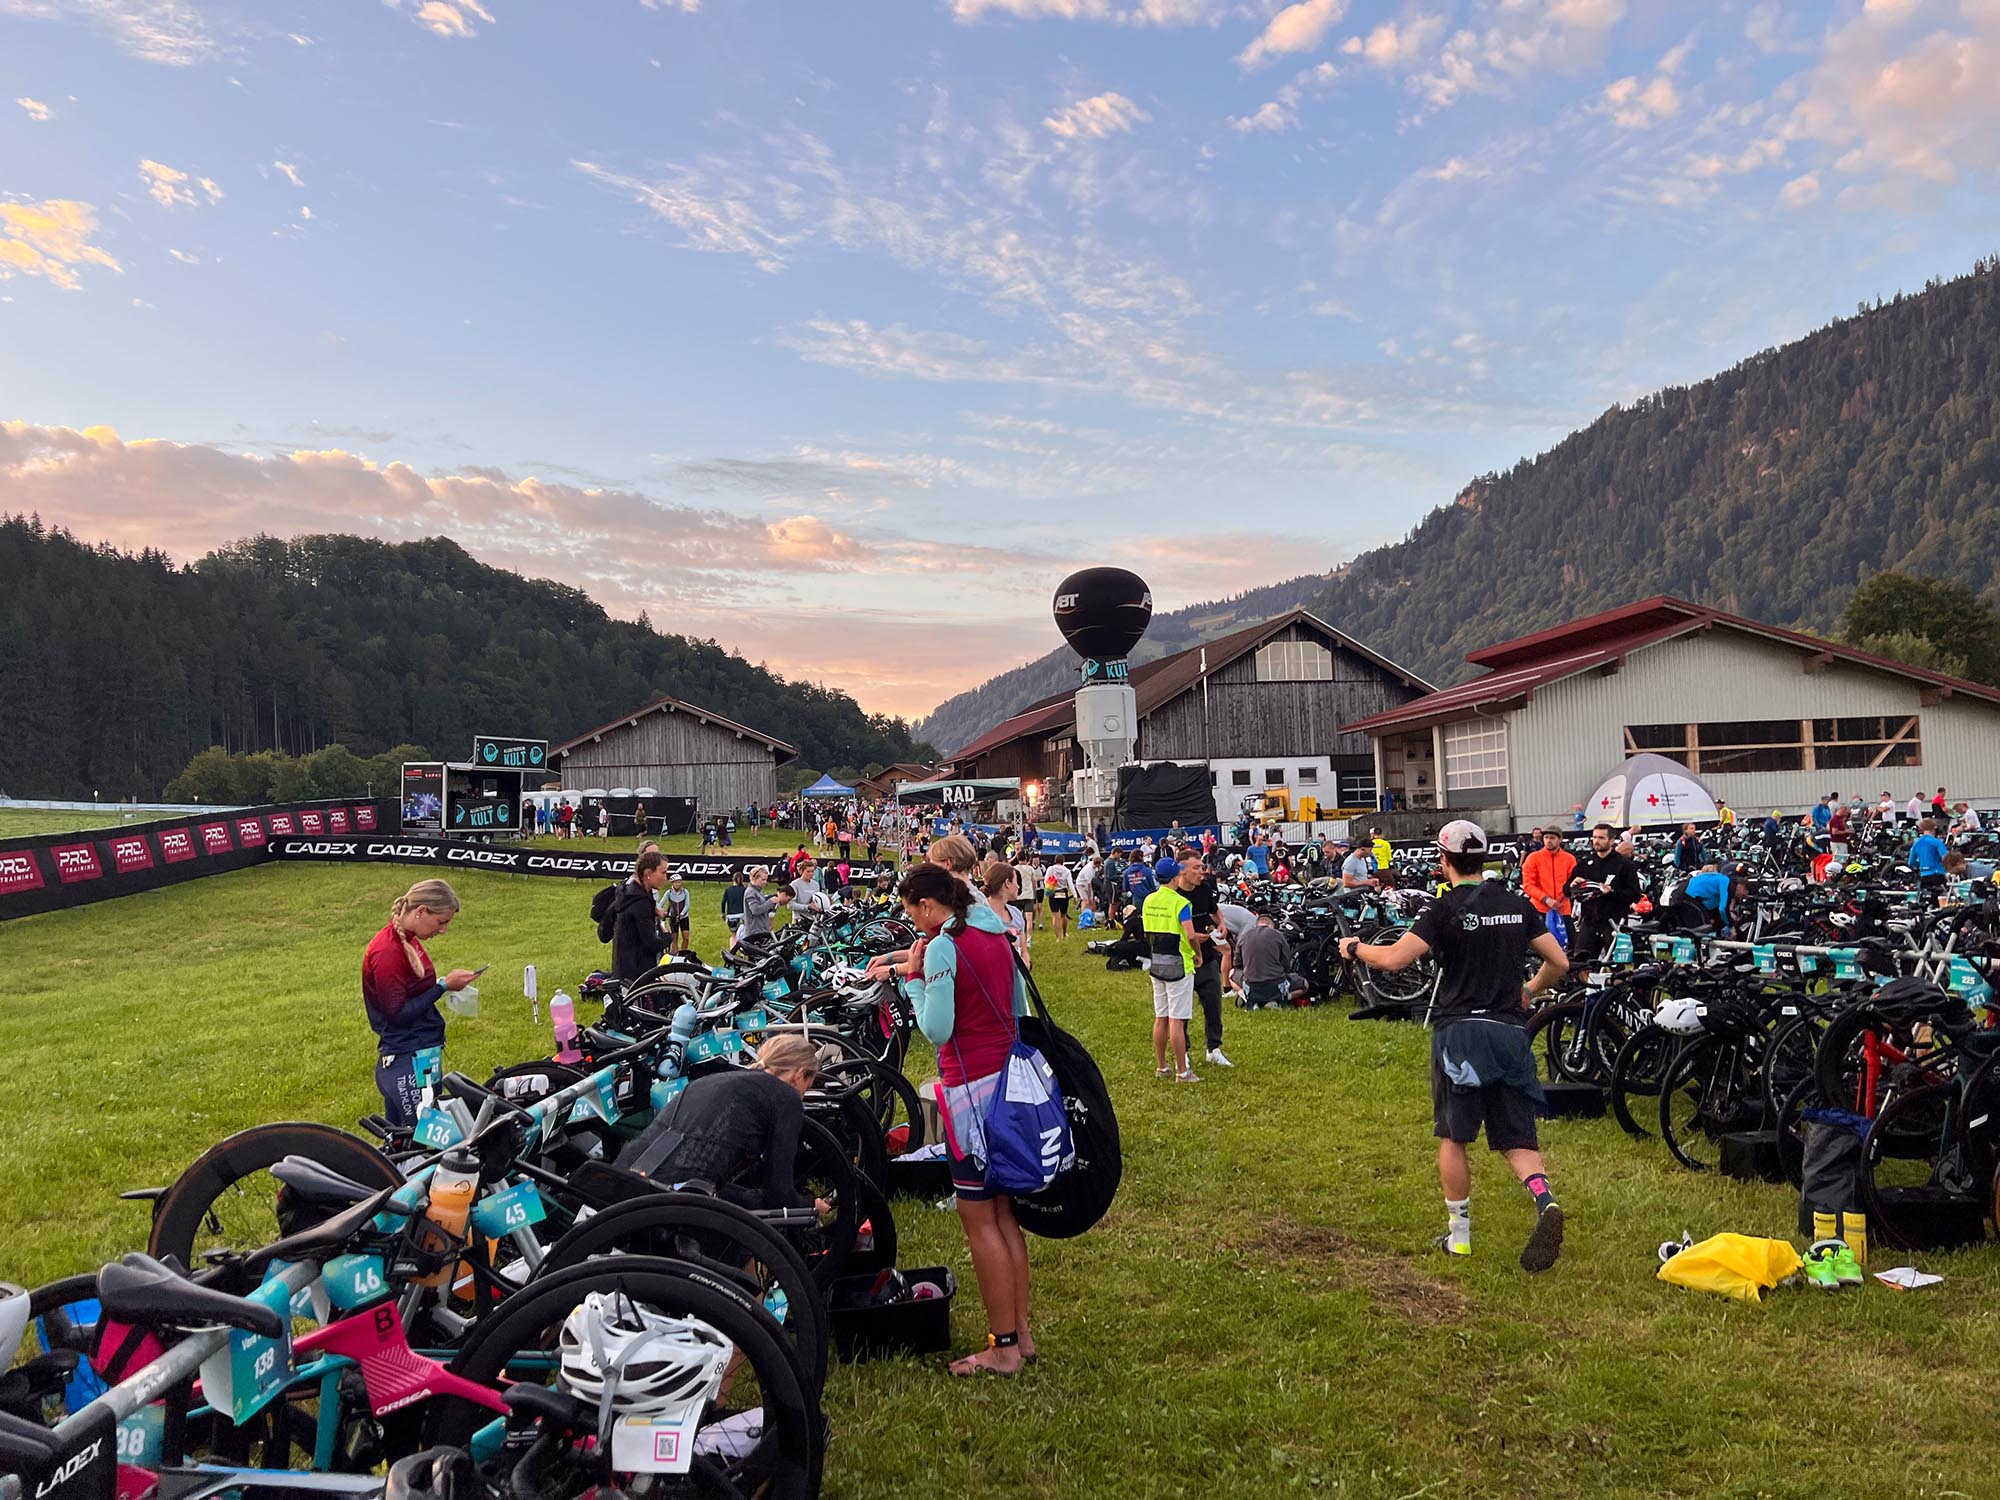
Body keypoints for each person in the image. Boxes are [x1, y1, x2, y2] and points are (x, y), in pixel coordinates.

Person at [1338, 821, 1570, 1272]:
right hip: (1509, 1033)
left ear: (1444, 861)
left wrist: (1355, 948)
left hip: (1461, 1034)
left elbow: (1395, 959)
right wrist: (1529, 990)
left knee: (1454, 1136)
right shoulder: (1515, 904)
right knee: (1517, 1138)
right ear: (1483, 858)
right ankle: (1545, 1201)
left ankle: (1459, 1237)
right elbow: (1558, 960)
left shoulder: (1444, 909)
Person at [895, 862, 1034, 1376]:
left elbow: (937, 1027)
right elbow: (1017, 1007)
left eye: (913, 914)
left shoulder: (943, 945)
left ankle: (1003, 1348)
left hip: (969, 1090)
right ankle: (1021, 1333)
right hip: (1008, 1085)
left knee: (980, 1221)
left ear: (928, 906)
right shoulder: (995, 932)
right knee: (1004, 1214)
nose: (914, 923)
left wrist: (915, 979)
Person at [614, 1034, 824, 1212]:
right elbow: (779, 1193)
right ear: (800, 1074)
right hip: (677, 1198)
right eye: (807, 1086)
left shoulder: (716, 1079)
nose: (803, 1095)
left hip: (625, 1179)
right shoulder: (786, 1096)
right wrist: (810, 1205)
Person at [362, 879, 478, 1127]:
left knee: (409, 1135)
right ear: (421, 911)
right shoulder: (387, 951)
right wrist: (442, 986)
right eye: (441, 922)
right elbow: (397, 1014)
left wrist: (445, 984)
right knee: (422, 1134)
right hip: (405, 1055)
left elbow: (410, 992)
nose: (443, 930)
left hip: (422, 1052)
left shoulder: (408, 939)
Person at [1142, 855, 1202, 1083]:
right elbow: (1190, 935)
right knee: (1177, 1020)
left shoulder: (1148, 900)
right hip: (1179, 963)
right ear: (1176, 876)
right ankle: (1182, 1072)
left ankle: (1161, 1066)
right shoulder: (1180, 903)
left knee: (1161, 1017)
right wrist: (1198, 954)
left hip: (1157, 961)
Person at [1181, 853, 1232, 1069]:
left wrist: (1221, 923)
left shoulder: (1203, 889)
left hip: (1208, 956)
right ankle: (1183, 1052)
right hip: (1184, 959)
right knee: (1181, 1011)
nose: (1201, 872)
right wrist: (1190, 937)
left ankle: (1214, 1049)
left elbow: (1214, 909)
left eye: (1202, 867)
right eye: (1196, 868)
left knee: (1213, 1005)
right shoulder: (1174, 895)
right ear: (1182, 871)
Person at [1570, 822, 1641, 961]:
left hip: (1614, 922)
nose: (1596, 841)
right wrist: (1573, 887)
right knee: (1580, 963)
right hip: (1589, 921)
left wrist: (1611, 892)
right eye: (1594, 837)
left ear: (1612, 840)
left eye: (1601, 838)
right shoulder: (1584, 864)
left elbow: (1634, 895)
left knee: (1617, 964)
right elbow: (1567, 890)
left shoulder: (1624, 865)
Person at [613, 851, 673, 981]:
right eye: (663, 872)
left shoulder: (631, 891)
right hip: (635, 972)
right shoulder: (640, 902)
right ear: (648, 873)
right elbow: (651, 944)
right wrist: (668, 937)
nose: (666, 878)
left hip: (624, 965)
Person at [1521, 827, 1576, 943]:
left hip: (1563, 909)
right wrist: (1546, 899)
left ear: (1560, 840)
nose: (1548, 841)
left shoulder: (1569, 859)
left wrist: (1561, 899)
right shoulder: (1533, 858)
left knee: (1571, 944)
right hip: (1539, 909)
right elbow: (1528, 885)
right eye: (1546, 837)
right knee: (1539, 946)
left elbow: (1572, 882)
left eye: (1552, 838)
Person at [1236, 911, 1294, 1009]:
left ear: (1257, 924)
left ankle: (1247, 998)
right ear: (1272, 925)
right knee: (1304, 984)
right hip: (1276, 986)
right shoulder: (1279, 935)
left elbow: (1237, 963)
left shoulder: (1244, 936)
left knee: (1231, 973)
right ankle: (1281, 999)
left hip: (1252, 986)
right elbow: (1287, 961)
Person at [734, 865, 789, 951]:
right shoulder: (751, 892)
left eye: (766, 879)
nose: (765, 882)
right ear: (755, 879)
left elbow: (763, 908)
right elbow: (755, 910)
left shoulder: (758, 892)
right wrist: (770, 901)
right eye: (763, 880)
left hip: (761, 929)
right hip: (755, 932)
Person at [1910, 817, 1950, 898]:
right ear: (1934, 828)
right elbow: (1946, 857)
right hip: (1938, 874)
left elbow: (1911, 862)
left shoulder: (1916, 843)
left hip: (1924, 875)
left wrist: (1921, 864)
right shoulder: (1937, 842)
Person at [660, 869, 694, 956]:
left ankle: (683, 954)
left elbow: (687, 905)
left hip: (684, 917)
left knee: (686, 937)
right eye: (676, 882)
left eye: (679, 882)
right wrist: (660, 912)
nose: (677, 884)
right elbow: (661, 904)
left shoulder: (685, 892)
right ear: (672, 883)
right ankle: (675, 955)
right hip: (673, 917)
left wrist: (682, 914)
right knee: (674, 938)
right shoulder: (669, 893)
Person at [1044, 858, 1075, 941]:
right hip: (1063, 892)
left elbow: (1046, 881)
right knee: (1063, 915)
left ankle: (1058, 937)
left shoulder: (1050, 869)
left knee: (1055, 916)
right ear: (1063, 862)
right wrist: (1075, 894)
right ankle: (1064, 934)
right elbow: (1070, 884)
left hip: (1053, 892)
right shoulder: (1067, 871)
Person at [721, 868, 748, 941]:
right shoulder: (744, 890)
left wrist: (723, 913)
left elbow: (723, 902)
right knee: (743, 936)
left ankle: (732, 948)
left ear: (733, 879)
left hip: (731, 916)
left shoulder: (728, 890)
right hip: (742, 915)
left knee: (733, 936)